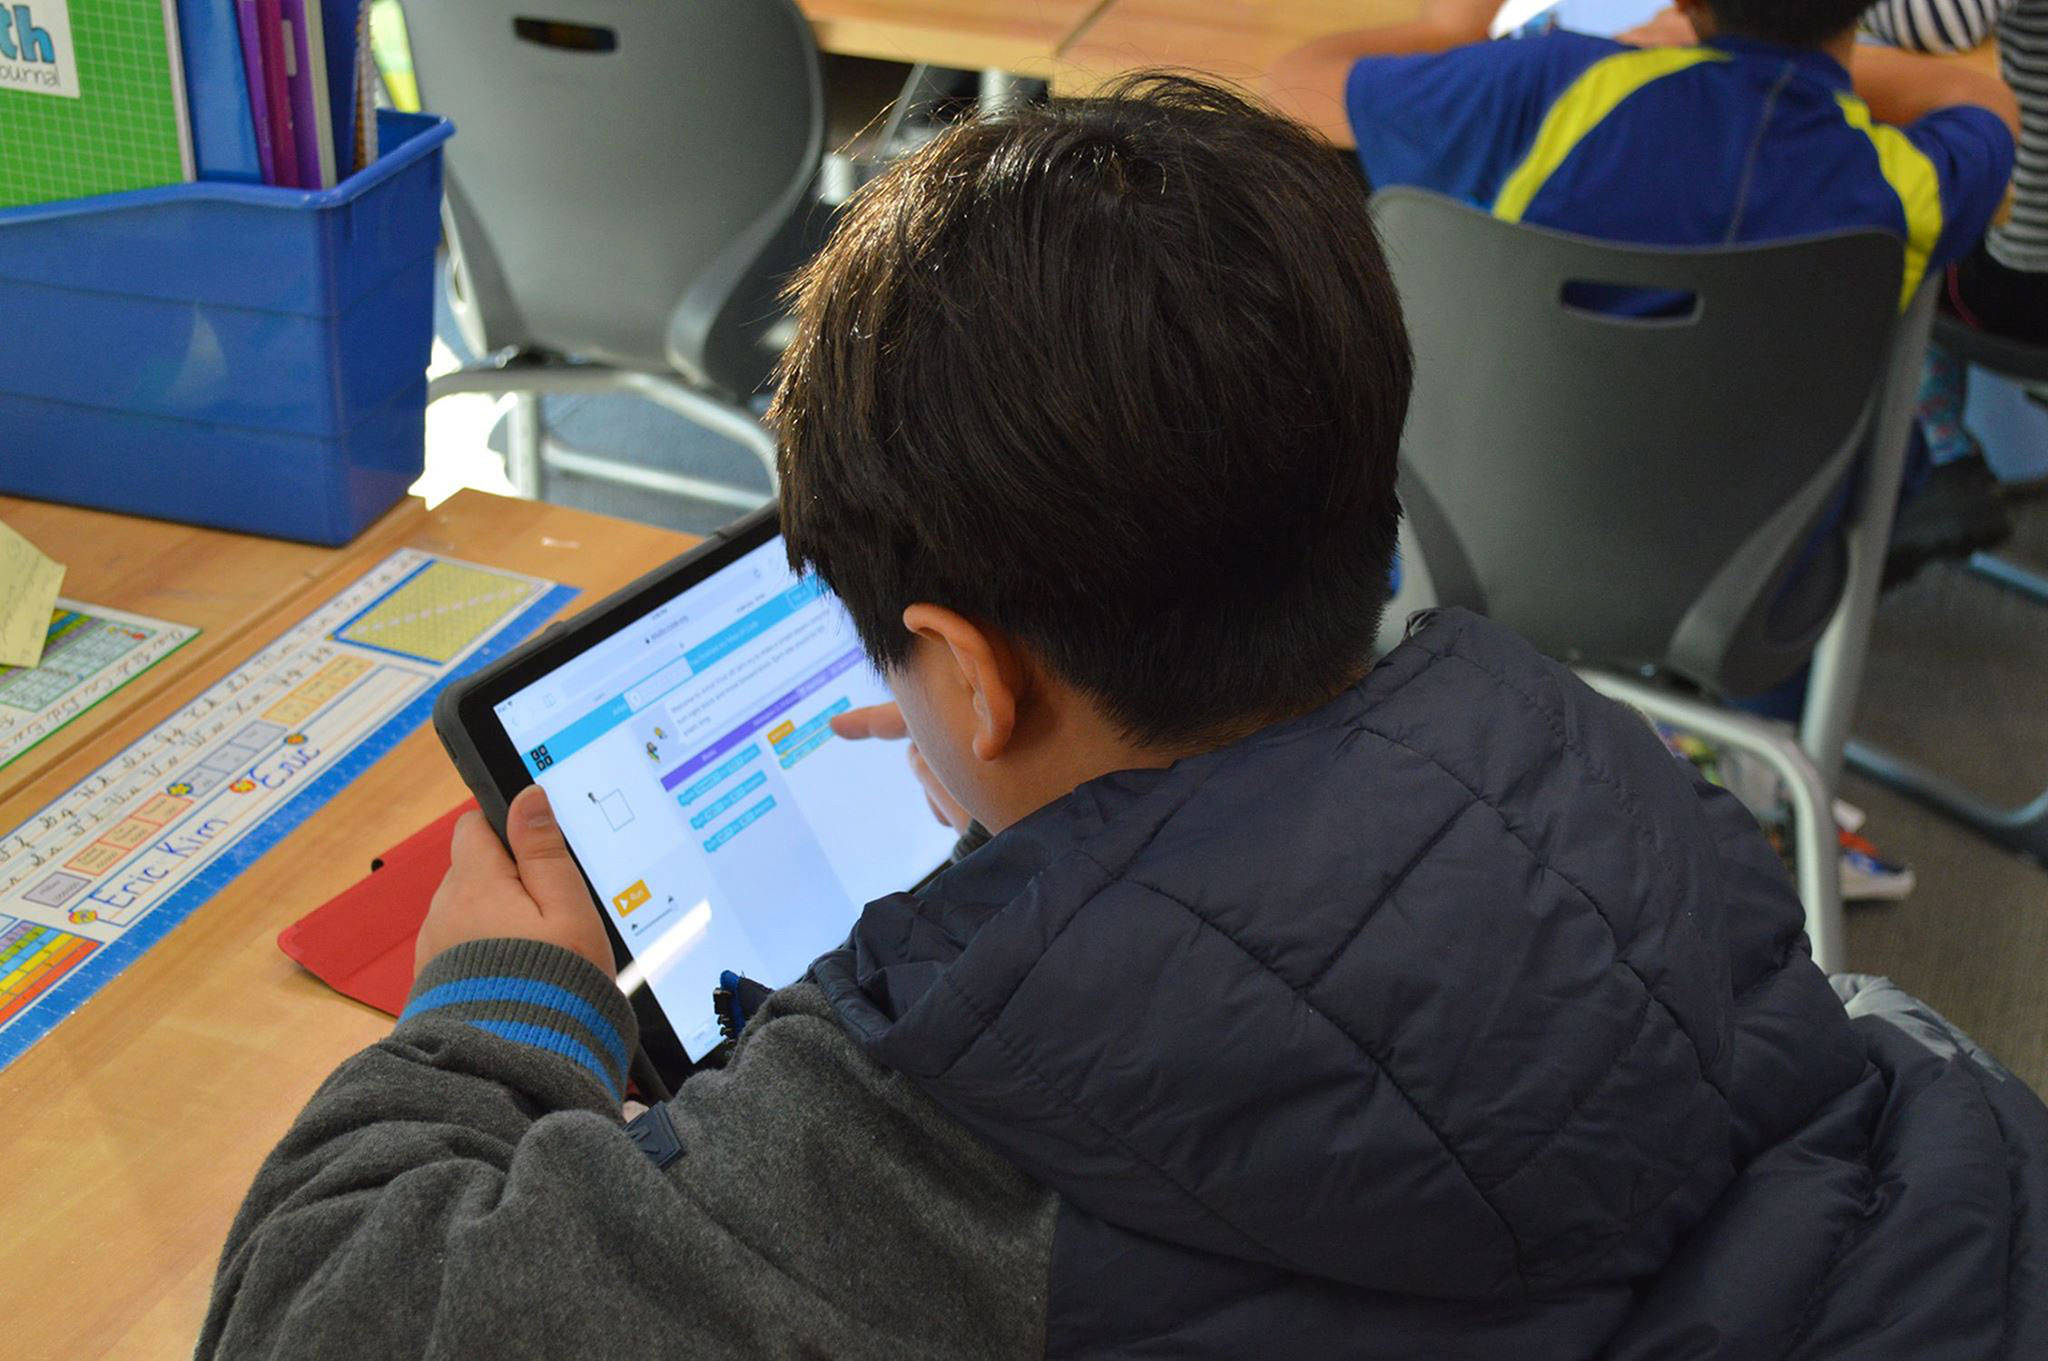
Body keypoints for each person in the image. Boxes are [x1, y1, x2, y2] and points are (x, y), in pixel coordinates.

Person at [198, 76, 2048, 1359]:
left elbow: (313, 1318)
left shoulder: (953, 1134)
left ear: (971, 673)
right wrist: (1048, 813)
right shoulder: (1587, 767)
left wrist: (501, 1004)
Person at [1271, 0, 2023, 581]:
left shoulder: (1551, 84)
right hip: (1749, 595)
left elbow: (1294, 90)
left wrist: (1451, 26)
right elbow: (1981, 101)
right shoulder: (1903, 183)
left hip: (1465, 557)